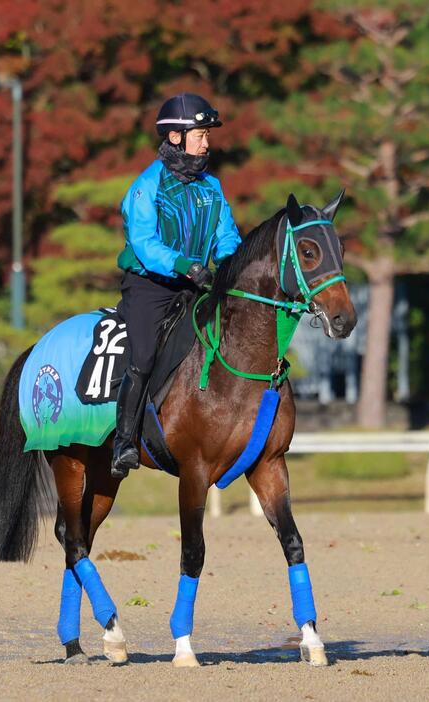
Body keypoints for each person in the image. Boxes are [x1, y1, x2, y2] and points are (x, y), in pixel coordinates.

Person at [112, 93, 241, 479]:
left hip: (196, 286)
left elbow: (227, 237)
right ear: (174, 138)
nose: (206, 142)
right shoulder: (144, 187)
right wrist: (186, 265)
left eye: (207, 135)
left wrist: (232, 267)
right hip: (150, 287)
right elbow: (145, 244)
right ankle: (123, 441)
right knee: (145, 355)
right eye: (200, 134)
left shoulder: (212, 188)